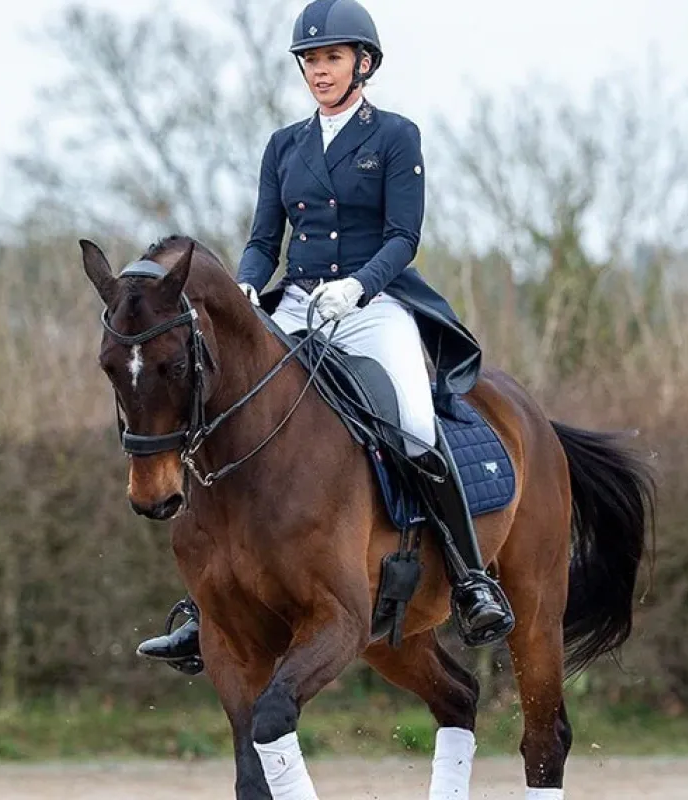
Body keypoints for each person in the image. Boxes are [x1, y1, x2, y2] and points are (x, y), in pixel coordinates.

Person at [137, 0, 514, 671]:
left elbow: (404, 236)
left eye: (332, 57)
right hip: (293, 304)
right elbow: (261, 239)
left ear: (362, 64)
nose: (319, 70)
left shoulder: (396, 136)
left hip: (373, 305)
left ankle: (470, 578)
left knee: (415, 424)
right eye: (311, 60)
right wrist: (250, 287)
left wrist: (360, 287)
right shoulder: (285, 145)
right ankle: (208, 603)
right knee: (221, 416)